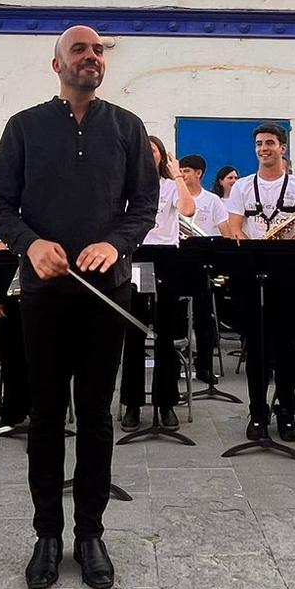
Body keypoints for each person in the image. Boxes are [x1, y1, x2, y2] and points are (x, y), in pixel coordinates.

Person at [0, 24, 157, 589]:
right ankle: (47, 534)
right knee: (46, 414)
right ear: (56, 63)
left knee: (97, 414)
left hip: (107, 294)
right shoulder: (25, 127)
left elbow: (144, 208)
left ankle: (90, 532)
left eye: (97, 51)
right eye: (78, 50)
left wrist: (117, 244)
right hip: (44, 294)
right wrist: (30, 244)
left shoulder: (128, 128)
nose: (91, 57)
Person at [222, 122, 295, 443]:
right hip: (252, 273)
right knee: (256, 348)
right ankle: (257, 411)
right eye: (259, 144)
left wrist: (285, 249)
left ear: (282, 148)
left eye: (270, 143)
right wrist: (254, 248)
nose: (264, 148)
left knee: (286, 348)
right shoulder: (243, 187)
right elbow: (234, 227)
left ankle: (286, 411)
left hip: (286, 274)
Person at [120, 136, 195, 431]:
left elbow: (188, 210)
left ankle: (166, 403)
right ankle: (133, 404)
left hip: (166, 259)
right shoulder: (127, 186)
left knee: (166, 335)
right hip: (134, 258)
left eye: (153, 150)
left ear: (162, 156)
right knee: (134, 334)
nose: (147, 154)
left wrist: (178, 176)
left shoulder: (169, 186)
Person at [176, 154, 230, 387]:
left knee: (204, 317)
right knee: (177, 317)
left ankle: (204, 367)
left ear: (198, 173)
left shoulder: (212, 201)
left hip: (204, 264)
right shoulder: (174, 197)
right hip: (178, 262)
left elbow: (226, 232)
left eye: (186, 171)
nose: (183, 175)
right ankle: (176, 363)